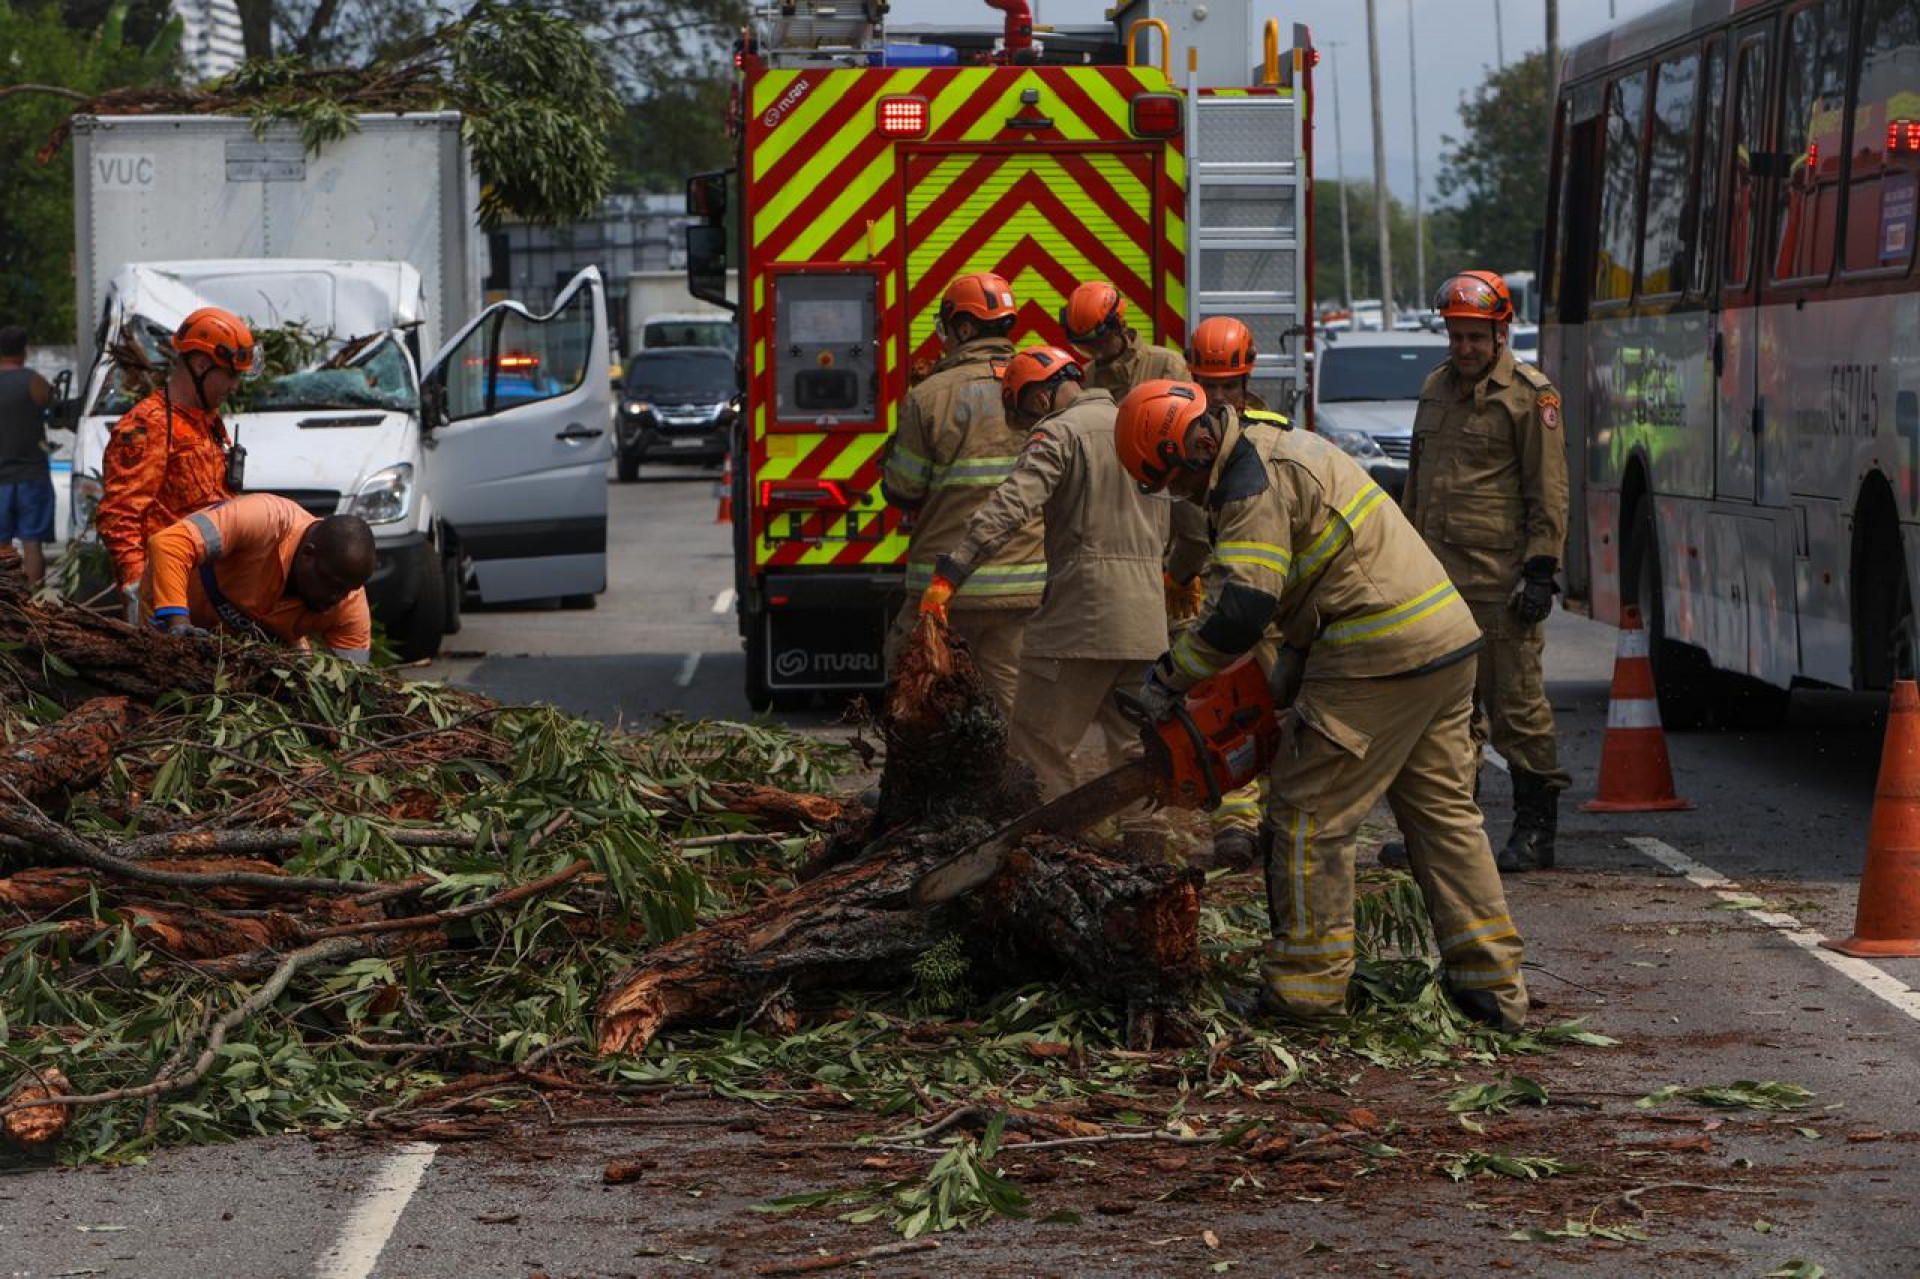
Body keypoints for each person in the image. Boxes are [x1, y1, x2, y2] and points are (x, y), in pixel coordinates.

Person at [1115, 378, 1528, 1032]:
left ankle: (1304, 993)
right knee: (1444, 817)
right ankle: (1491, 988)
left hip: (1377, 646)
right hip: (1441, 639)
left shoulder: (1250, 480)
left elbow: (1243, 608)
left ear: (1194, 443)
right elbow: (1318, 573)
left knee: (1308, 814)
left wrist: (1169, 678)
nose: (1180, 496)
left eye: (1173, 480)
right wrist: (1286, 683)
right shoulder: (1271, 447)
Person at [918, 347, 1168, 804]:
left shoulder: (1059, 433)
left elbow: (1011, 506)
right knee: (1135, 749)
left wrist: (951, 573)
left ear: (1036, 399)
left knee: (1035, 745)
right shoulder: (1137, 423)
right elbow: (1181, 520)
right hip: (1148, 622)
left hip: (1082, 619)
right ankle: (1145, 848)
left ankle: (1054, 845)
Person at [1401, 270, 1571, 874]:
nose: (1465, 348)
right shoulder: (1434, 389)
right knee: (1445, 715)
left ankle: (1534, 831)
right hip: (1438, 587)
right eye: (1456, 336)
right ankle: (1450, 838)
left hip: (1501, 586)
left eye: (1476, 336)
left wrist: (1541, 570)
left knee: (1518, 711)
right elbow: (1418, 487)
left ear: (1501, 333)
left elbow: (1546, 491)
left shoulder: (1530, 397)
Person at [880, 273, 1044, 715]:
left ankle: (917, 785)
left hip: (944, 586)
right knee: (1011, 707)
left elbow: (903, 488)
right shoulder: (1039, 388)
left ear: (964, 329)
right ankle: (1017, 783)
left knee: (915, 692)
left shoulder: (929, 396)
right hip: (1023, 582)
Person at [1176, 316, 1296, 866]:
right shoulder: (1187, 439)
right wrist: (1179, 577)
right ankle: (1235, 827)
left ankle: (1276, 824)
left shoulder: (1276, 432)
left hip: (1269, 599)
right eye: (1208, 385)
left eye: (1228, 385)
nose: (1219, 397)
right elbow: (1188, 523)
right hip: (1217, 596)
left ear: (1247, 382)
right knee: (1226, 711)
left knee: (1280, 713)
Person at [99, 307, 254, 611]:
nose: (235, 386)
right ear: (200, 364)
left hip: (212, 590)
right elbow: (120, 515)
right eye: (231, 375)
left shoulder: (208, 421)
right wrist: (137, 588)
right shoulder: (149, 425)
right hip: (169, 597)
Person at [141, 492, 375, 662]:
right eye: (330, 584)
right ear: (308, 555)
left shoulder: (348, 602)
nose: (336, 597)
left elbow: (351, 683)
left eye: (346, 590)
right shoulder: (264, 519)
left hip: (247, 651)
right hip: (173, 610)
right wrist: (178, 624)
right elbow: (168, 545)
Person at [1060, 281, 1189, 397]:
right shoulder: (1083, 380)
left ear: (1121, 326)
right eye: (1086, 348)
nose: (1096, 353)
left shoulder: (1168, 366)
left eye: (1100, 344)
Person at [0, 326, 56, 590]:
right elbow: (54, 404)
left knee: (2, 546)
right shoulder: (34, 381)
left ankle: (8, 605)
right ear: (24, 350)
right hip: (31, 477)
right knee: (32, 543)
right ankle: (35, 604)